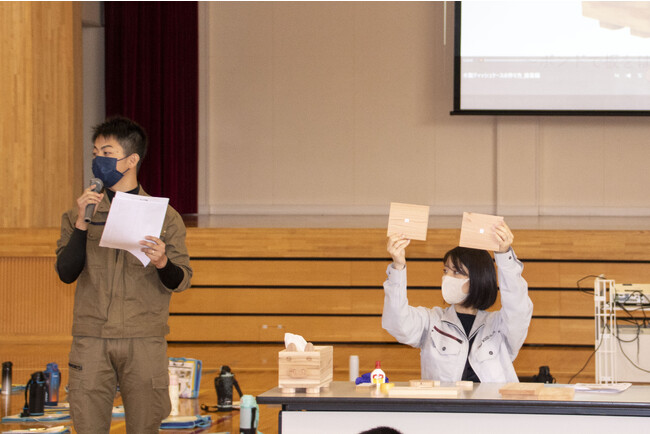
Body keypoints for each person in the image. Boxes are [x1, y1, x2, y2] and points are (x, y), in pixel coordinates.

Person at [55, 117, 193, 433]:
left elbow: (181, 279)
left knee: (145, 427)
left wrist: (162, 262)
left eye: (106, 152)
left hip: (143, 338)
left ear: (131, 160)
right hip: (91, 338)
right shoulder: (77, 213)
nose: (97, 160)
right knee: (88, 426)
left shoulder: (164, 217)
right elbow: (66, 272)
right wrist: (81, 223)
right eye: (94, 152)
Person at [382, 221, 532, 383]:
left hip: (493, 407)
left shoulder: (500, 326)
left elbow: (517, 306)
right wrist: (398, 266)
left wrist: (505, 257)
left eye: (456, 272)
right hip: (444, 408)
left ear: (477, 279)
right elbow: (397, 322)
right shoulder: (431, 322)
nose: (447, 277)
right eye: (446, 270)